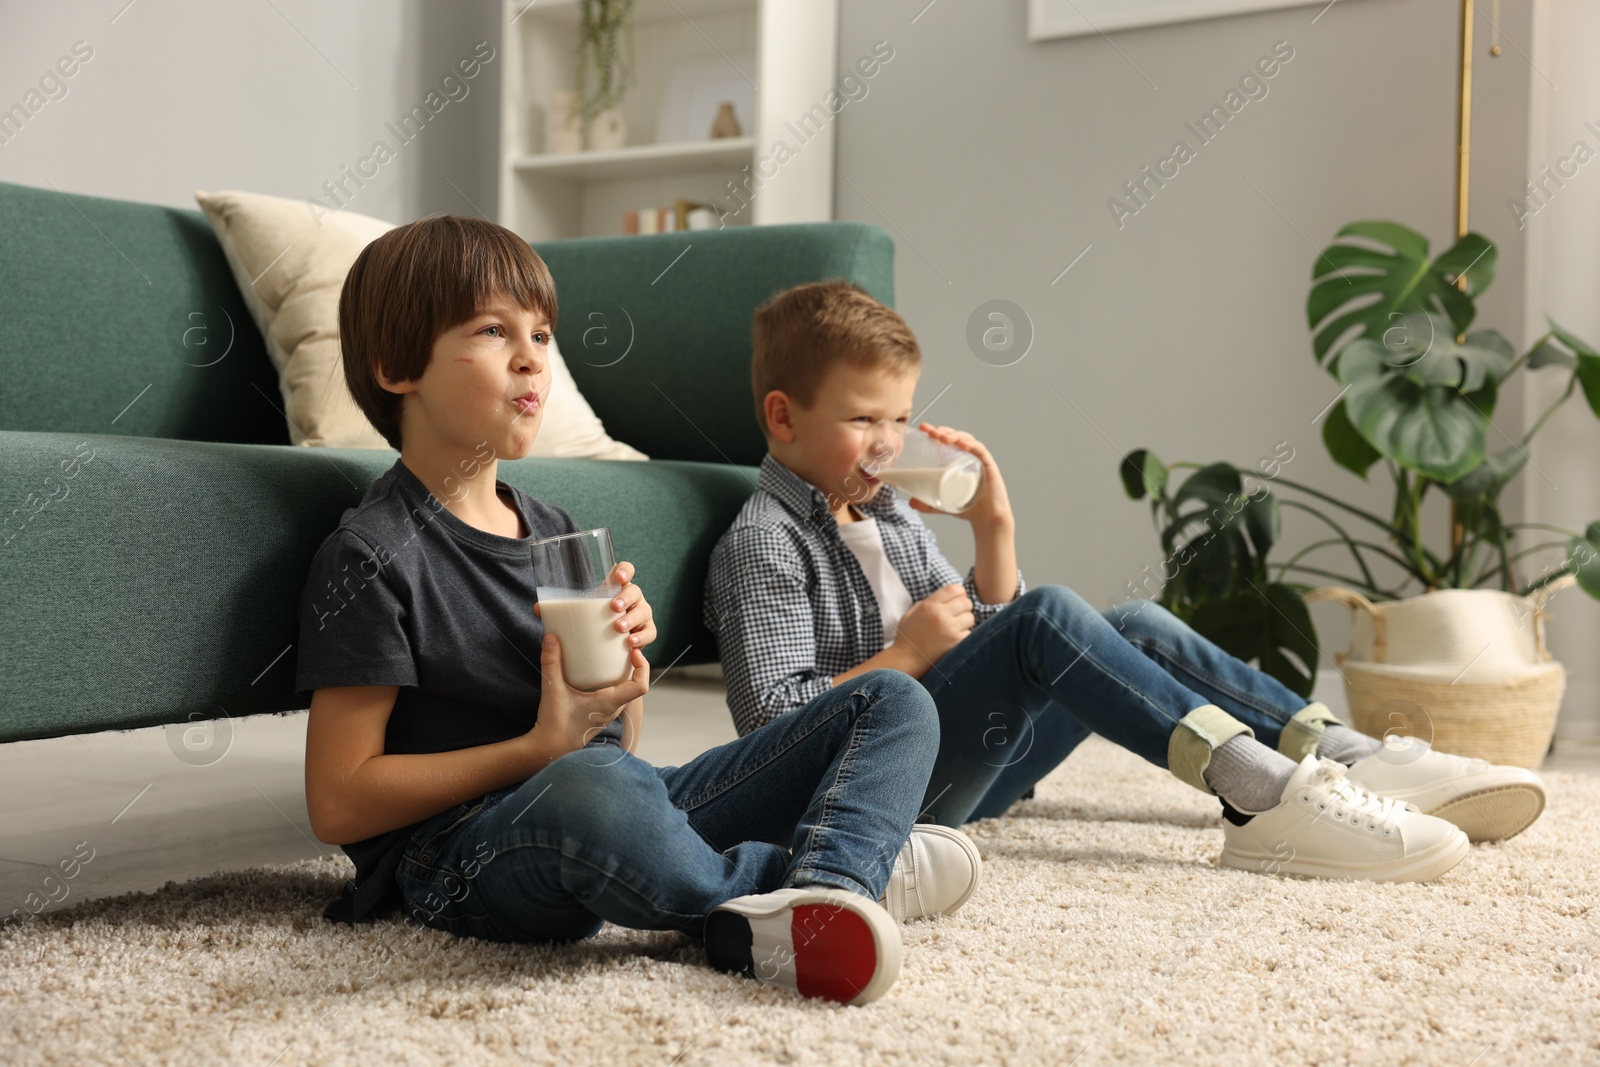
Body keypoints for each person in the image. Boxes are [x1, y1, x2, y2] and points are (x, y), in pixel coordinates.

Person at [293, 219, 981, 1006]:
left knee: (893, 699)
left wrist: (625, 681)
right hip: (457, 856)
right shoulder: (373, 555)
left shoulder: (553, 529)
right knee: (596, 785)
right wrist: (540, 748)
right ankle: (830, 877)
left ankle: (827, 889)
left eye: (542, 333)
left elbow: (617, 743)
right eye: (492, 330)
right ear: (394, 367)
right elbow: (338, 799)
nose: (531, 356)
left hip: (603, 793)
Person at [704, 280, 1547, 883]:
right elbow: (774, 732)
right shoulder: (765, 545)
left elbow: (995, 639)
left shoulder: (887, 514)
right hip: (881, 791)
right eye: (863, 420)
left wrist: (995, 526)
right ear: (783, 415)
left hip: (975, 761)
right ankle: (1262, 799)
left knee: (1134, 620)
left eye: (899, 417)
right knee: (1052, 616)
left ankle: (1341, 752)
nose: (889, 443)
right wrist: (907, 653)